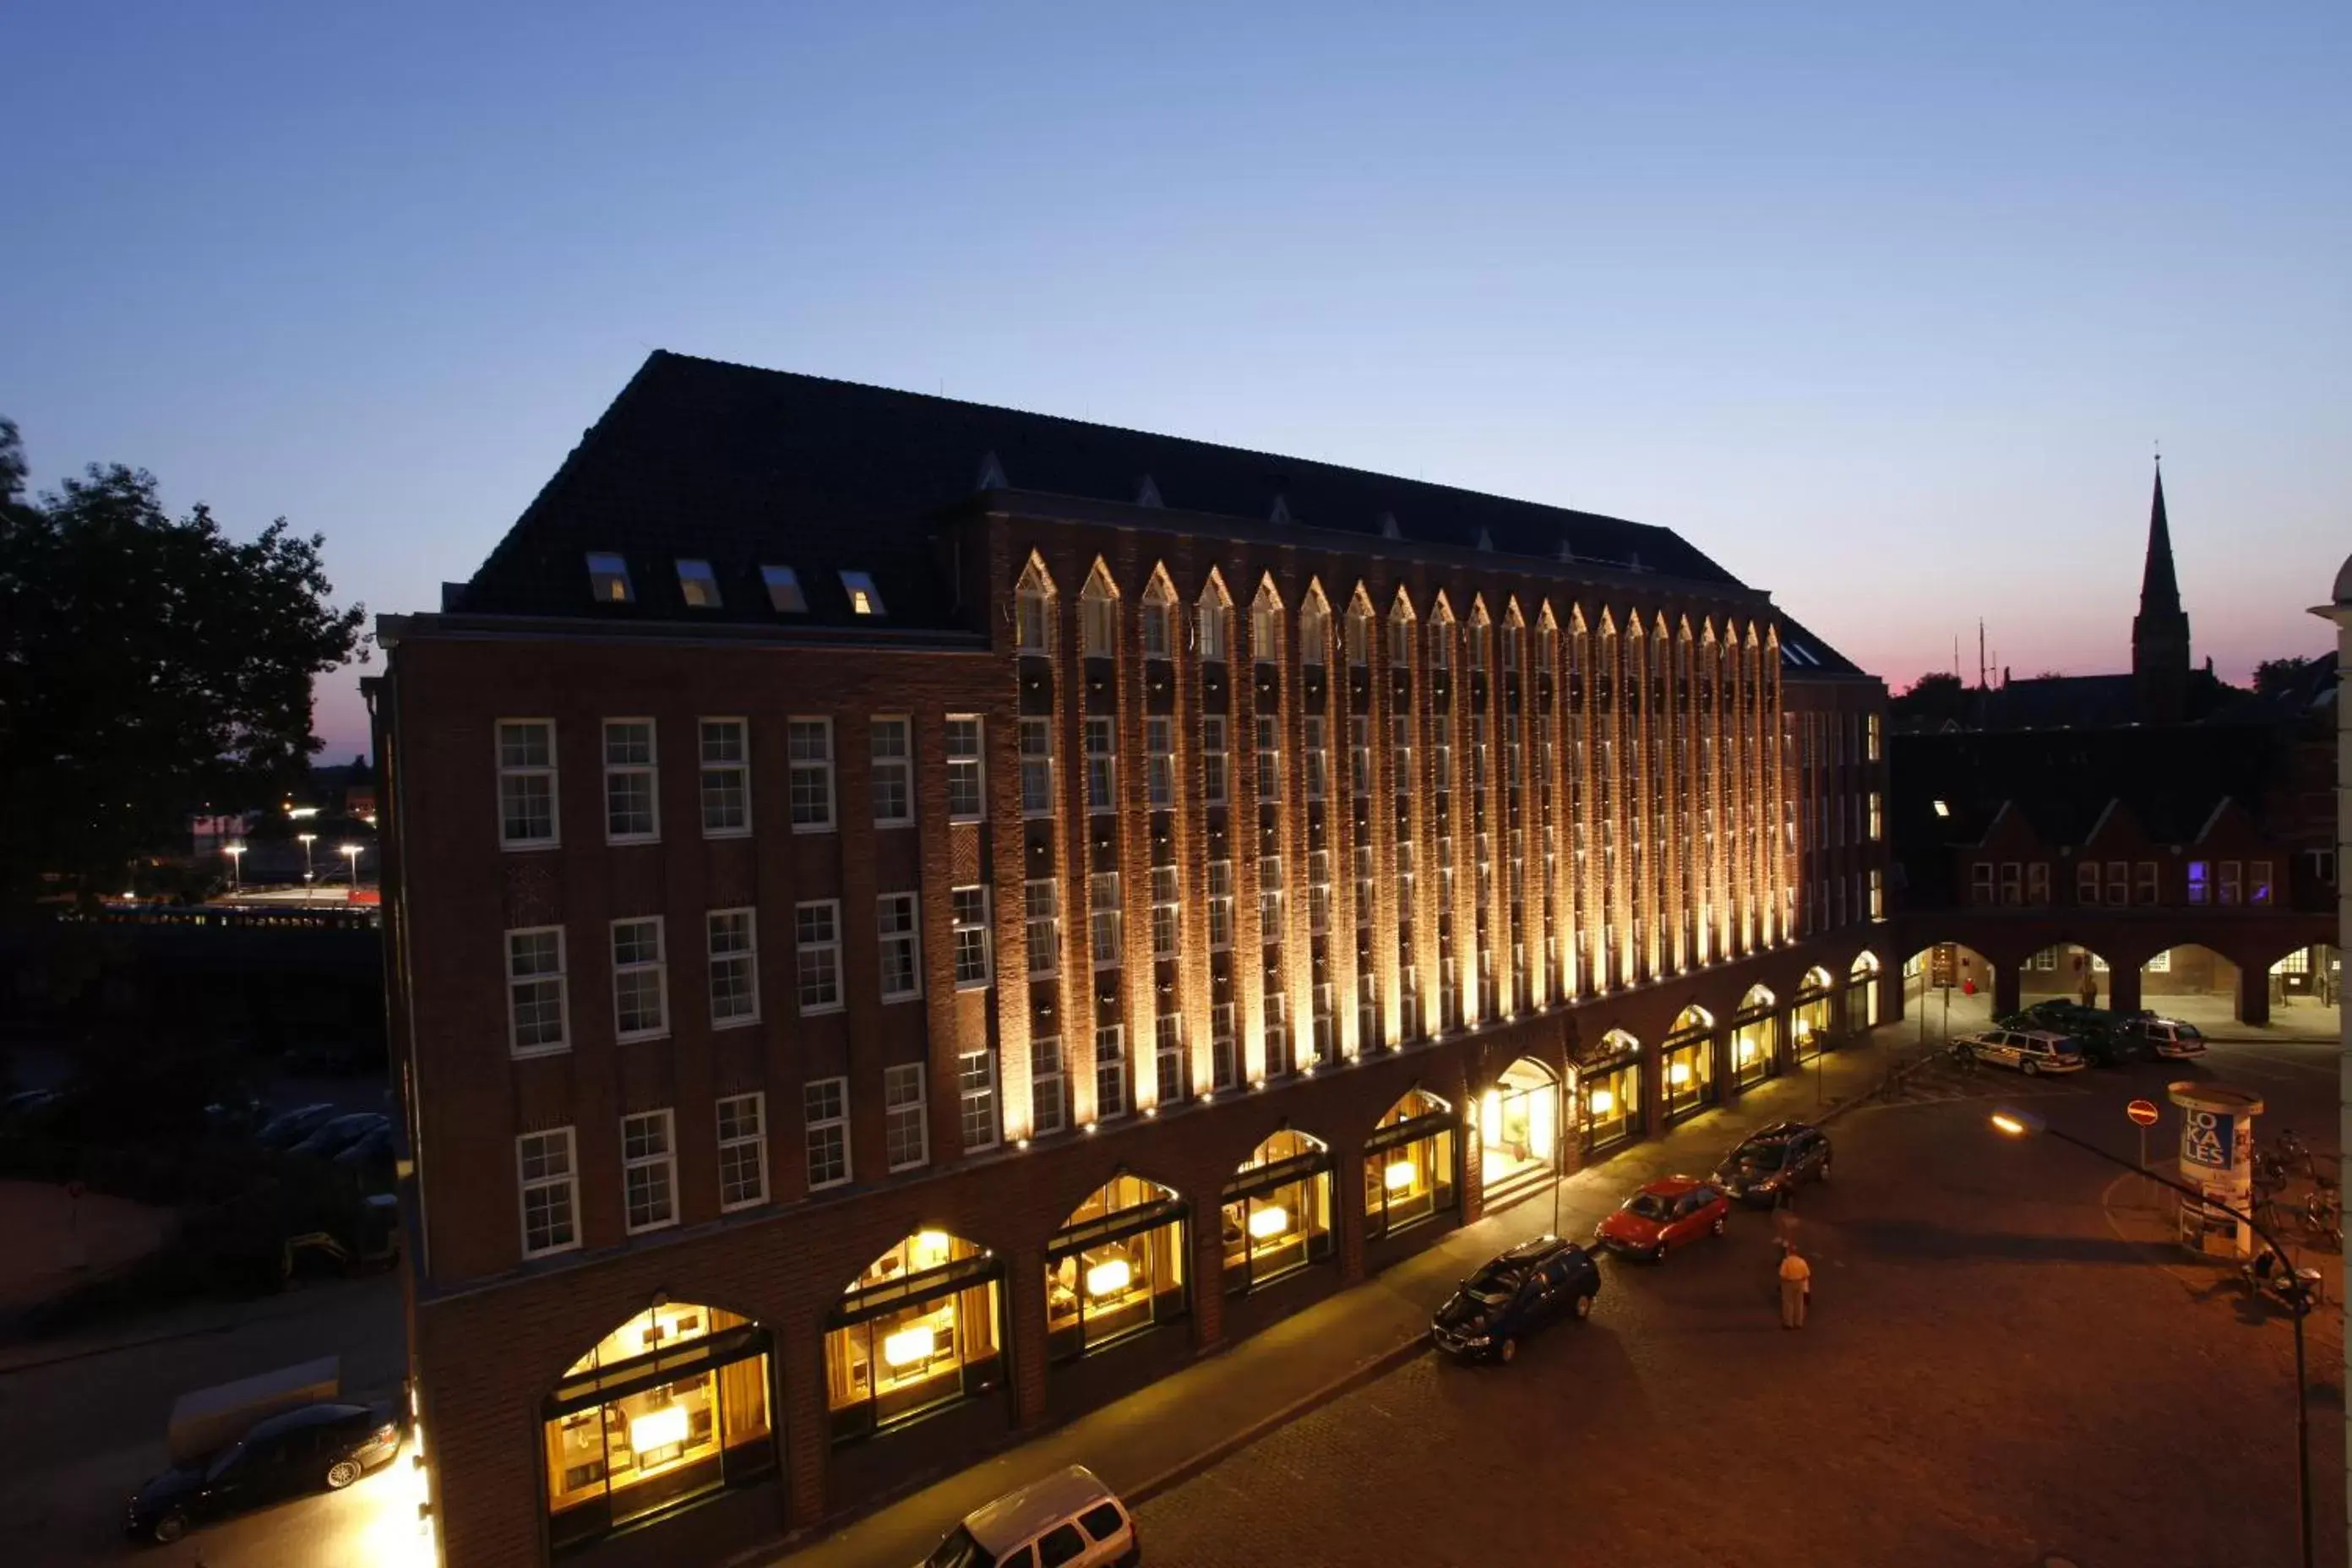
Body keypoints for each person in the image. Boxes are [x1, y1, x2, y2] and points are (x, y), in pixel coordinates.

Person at [1778, 1240, 1811, 1329]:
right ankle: (1798, 1322)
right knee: (1799, 1303)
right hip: (1800, 1283)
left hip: (1788, 1283)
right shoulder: (1802, 1261)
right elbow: (1807, 1274)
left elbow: (1782, 1274)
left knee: (1788, 1303)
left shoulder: (1786, 1261)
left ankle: (1789, 1323)